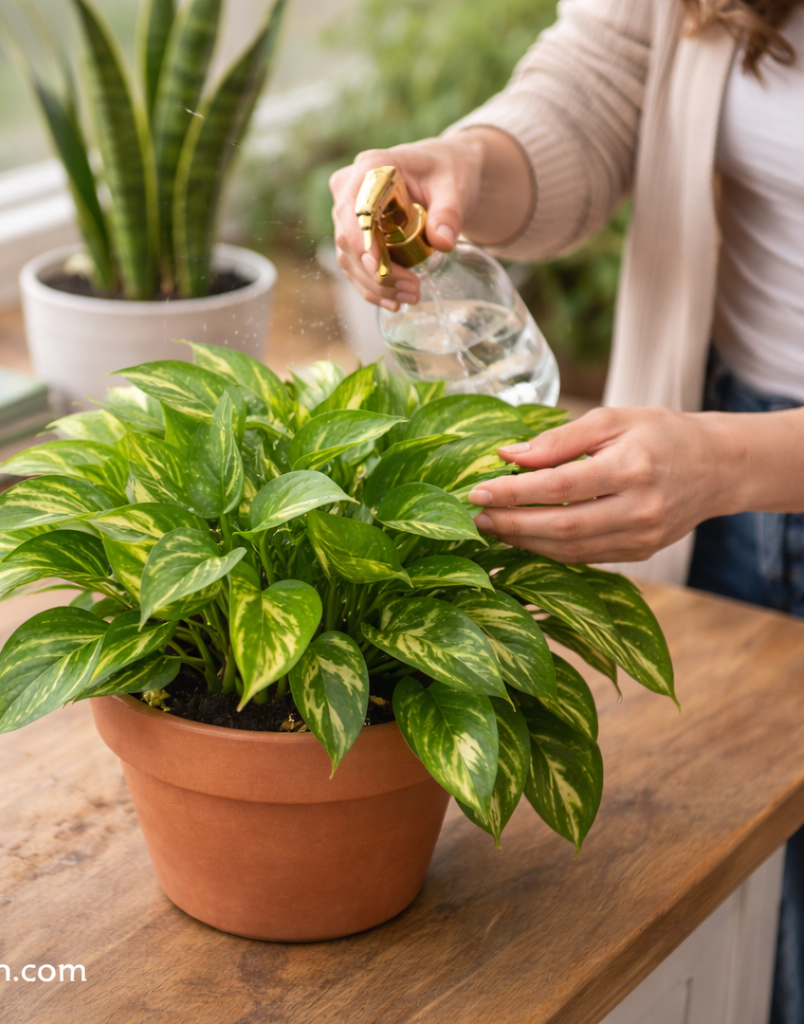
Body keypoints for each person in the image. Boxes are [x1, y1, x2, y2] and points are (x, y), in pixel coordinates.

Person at [329, 1, 803, 1021]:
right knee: (740, 923)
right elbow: (605, 69)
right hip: (716, 479)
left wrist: (737, 461)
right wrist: (468, 165)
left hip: (730, 463)